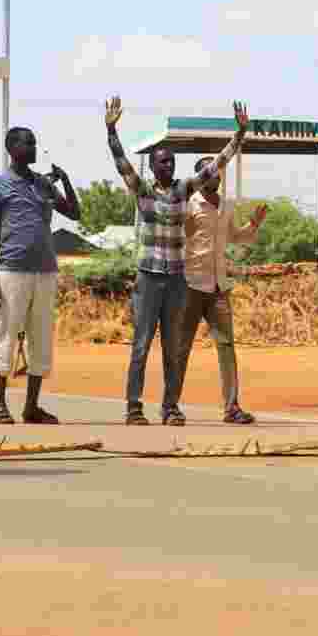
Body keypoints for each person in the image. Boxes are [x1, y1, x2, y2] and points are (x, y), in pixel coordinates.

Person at [105, 97, 249, 426]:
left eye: (171, 162)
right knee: (141, 346)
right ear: (153, 166)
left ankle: (170, 408)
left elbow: (216, 166)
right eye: (162, 162)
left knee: (172, 348)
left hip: (175, 282)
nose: (167, 167)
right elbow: (121, 162)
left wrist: (239, 135)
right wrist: (111, 130)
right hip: (148, 279)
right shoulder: (142, 190)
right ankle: (134, 407)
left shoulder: (183, 191)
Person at [0, 127, 81, 424]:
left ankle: (31, 407)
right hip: (10, 271)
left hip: (45, 272)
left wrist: (64, 180)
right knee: (4, 334)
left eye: (35, 142)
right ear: (12, 148)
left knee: (40, 338)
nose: (35, 147)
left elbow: (74, 213)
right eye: (29, 143)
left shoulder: (43, 184)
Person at [175, 156, 267, 424]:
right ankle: (171, 407)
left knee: (226, 346)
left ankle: (232, 407)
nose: (216, 176)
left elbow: (236, 237)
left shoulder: (226, 206)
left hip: (218, 286)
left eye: (218, 172)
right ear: (199, 177)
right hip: (190, 285)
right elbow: (177, 239)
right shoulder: (188, 205)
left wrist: (253, 225)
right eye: (210, 172)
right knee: (181, 348)